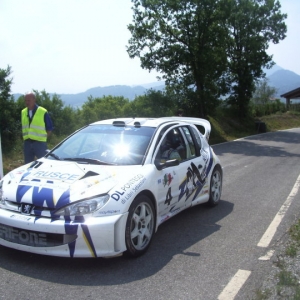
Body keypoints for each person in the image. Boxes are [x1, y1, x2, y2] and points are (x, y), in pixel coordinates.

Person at [21, 92, 53, 163]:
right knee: (28, 165)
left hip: (40, 144)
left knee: (43, 164)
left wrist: (42, 138)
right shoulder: (23, 112)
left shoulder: (42, 111)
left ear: (34, 100)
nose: (27, 102)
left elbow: (49, 128)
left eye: (29, 100)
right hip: (27, 143)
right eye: (26, 100)